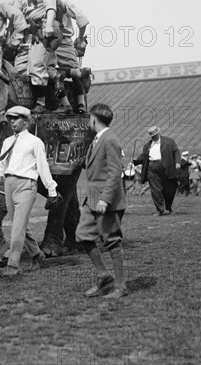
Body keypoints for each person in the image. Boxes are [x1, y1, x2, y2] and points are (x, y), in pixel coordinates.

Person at [0, 105, 59, 276]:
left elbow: (43, 168)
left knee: (16, 228)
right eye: (10, 118)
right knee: (20, 225)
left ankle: (12, 265)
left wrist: (52, 190)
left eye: (16, 118)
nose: (12, 121)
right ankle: (37, 254)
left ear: (27, 121)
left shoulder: (35, 142)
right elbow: (0, 169)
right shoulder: (7, 142)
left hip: (27, 186)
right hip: (9, 184)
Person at [76, 103, 128, 299]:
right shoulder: (97, 139)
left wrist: (105, 200)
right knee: (82, 235)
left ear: (93, 119)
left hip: (106, 201)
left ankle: (121, 287)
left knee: (112, 241)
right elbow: (94, 166)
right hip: (92, 199)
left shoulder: (110, 139)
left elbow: (115, 173)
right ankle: (104, 274)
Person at [13, 0, 59, 113]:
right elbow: (16, 11)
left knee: (36, 65)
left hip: (43, 28)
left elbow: (50, 6)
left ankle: (41, 103)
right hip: (29, 31)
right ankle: (26, 101)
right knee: (19, 67)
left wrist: (48, 25)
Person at [44, 0, 92, 113]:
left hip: (48, 41)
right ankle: (81, 103)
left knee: (47, 70)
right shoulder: (63, 1)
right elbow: (82, 19)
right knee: (74, 71)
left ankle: (64, 104)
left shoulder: (42, 2)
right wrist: (79, 40)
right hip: (65, 42)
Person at [133, 126, 180, 216]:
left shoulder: (169, 141)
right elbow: (144, 156)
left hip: (167, 167)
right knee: (155, 190)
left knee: (169, 190)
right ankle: (160, 210)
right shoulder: (147, 145)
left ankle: (168, 207)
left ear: (158, 133)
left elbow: (176, 152)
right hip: (152, 169)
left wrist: (177, 162)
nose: (154, 137)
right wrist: (136, 161)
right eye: (152, 136)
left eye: (155, 135)